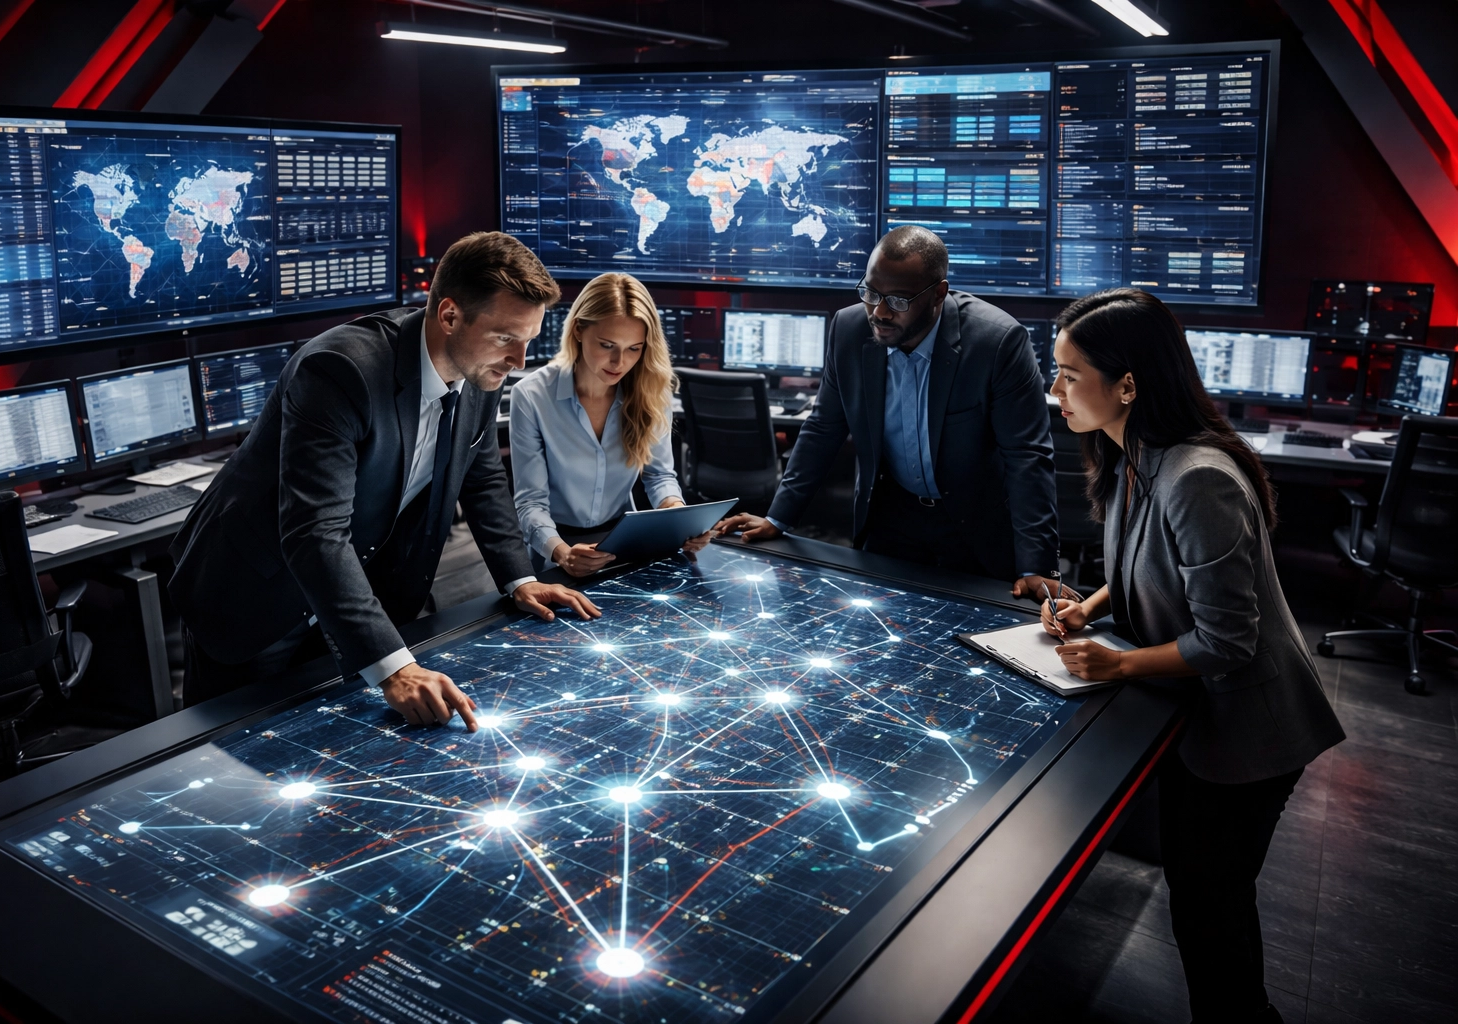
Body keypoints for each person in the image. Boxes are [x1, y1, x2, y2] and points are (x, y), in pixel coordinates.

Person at [1040, 288, 1344, 1024]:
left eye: (1069, 375)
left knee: (1212, 916)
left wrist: (1115, 664)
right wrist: (1092, 606)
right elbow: (1153, 558)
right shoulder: (1139, 455)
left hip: (1253, 732)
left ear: (1130, 385)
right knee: (1200, 899)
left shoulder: (1197, 476)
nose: (1054, 394)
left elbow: (1227, 641)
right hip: (1206, 718)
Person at [169, 232, 599, 730]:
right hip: (255, 593)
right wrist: (395, 669)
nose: (519, 360)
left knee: (324, 745)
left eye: (528, 340)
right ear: (450, 316)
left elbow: (479, 480)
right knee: (232, 761)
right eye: (506, 338)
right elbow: (315, 533)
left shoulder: (480, 369)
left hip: (351, 590)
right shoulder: (339, 370)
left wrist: (520, 578)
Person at [715, 225, 1061, 600]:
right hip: (890, 516)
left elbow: (1027, 457)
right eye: (870, 293)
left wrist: (1036, 567)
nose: (878, 312)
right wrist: (777, 518)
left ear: (938, 294)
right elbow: (823, 427)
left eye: (897, 300)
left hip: (974, 522)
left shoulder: (997, 342)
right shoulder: (848, 329)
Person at [508, 273, 709, 577]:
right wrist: (562, 553)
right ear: (578, 330)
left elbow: (659, 476)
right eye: (607, 345)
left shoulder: (652, 391)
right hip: (553, 547)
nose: (619, 362)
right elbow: (531, 502)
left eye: (634, 348)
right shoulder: (532, 395)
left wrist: (676, 515)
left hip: (624, 542)